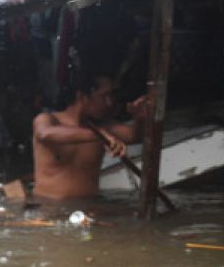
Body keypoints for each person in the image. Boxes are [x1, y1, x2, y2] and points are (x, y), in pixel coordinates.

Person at [32, 71, 148, 200]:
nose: (109, 103)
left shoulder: (105, 126)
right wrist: (100, 135)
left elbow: (136, 136)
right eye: (103, 96)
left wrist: (140, 119)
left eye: (110, 96)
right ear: (82, 97)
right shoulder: (47, 119)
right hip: (48, 211)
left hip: (90, 210)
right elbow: (44, 133)